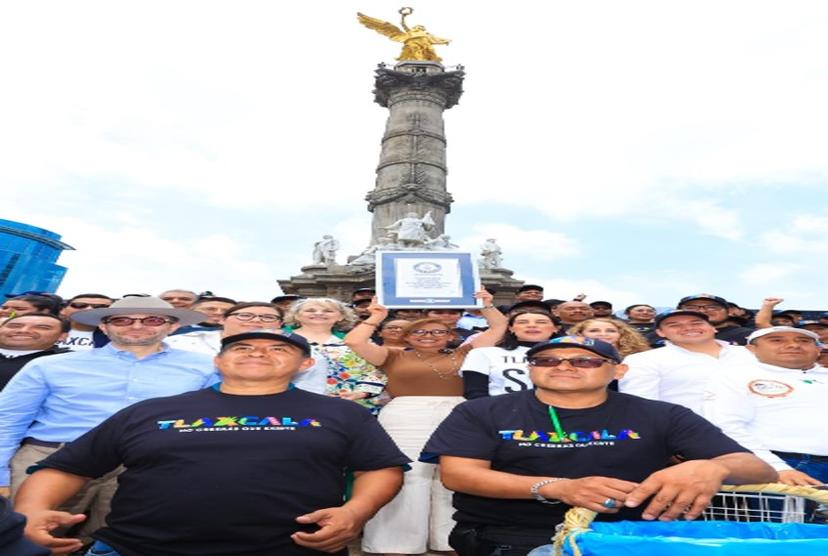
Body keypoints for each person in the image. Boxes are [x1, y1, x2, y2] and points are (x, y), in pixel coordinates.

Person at [14, 330, 409, 556]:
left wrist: (356, 511)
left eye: (278, 349)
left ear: (306, 364)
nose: (258, 352)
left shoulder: (342, 413)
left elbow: (380, 468)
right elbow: (66, 466)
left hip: (290, 549)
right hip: (138, 549)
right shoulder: (150, 410)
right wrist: (31, 511)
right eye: (241, 347)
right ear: (217, 363)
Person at [421, 336, 777, 556]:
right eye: (547, 360)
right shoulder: (482, 410)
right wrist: (560, 488)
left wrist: (714, 467)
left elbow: (758, 469)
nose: (564, 366)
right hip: (515, 534)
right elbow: (459, 475)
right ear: (531, 369)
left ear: (617, 371)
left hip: (638, 535)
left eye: (585, 361)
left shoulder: (663, 414)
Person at [0, 297, 215, 540]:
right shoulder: (49, 365)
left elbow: (212, 421)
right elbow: (7, 421)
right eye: (122, 320)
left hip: (149, 465)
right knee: (24, 538)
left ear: (173, 326)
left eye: (152, 320)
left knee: (118, 542)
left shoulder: (208, 367)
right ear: (104, 326)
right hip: (51, 459)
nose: (136, 326)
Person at [345, 290, 507, 556]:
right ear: (406, 337)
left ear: (451, 336)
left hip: (458, 413)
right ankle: (395, 543)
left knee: (452, 475)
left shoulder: (467, 353)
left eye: (436, 332)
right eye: (419, 333)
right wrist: (376, 317)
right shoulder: (392, 355)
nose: (428, 336)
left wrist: (487, 305)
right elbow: (354, 341)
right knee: (408, 475)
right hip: (404, 415)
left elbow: (499, 327)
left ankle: (449, 540)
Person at [703, 326, 828, 485]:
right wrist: (776, 467)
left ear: (818, 349)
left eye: (803, 341)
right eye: (776, 340)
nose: (794, 345)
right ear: (751, 349)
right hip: (786, 465)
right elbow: (726, 426)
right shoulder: (735, 376)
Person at [619, 310, 755, 414]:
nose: (688, 328)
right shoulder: (643, 360)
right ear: (660, 333)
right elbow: (640, 407)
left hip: (763, 437)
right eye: (674, 325)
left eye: (696, 323)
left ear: (714, 328)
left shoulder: (751, 353)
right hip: (688, 439)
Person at [285, 298, 386, 414]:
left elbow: (376, 372)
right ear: (296, 316)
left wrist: (361, 393)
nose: (319, 313)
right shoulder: (278, 340)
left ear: (341, 317)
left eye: (328, 311)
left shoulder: (357, 341)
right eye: (310, 310)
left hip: (346, 408)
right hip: (291, 406)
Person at [461, 310, 558, 399]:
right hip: (500, 413)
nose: (532, 325)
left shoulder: (571, 354)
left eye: (541, 322)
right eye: (522, 322)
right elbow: (474, 393)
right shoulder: (483, 353)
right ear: (511, 328)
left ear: (556, 328)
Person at [166, 302, 284, 355]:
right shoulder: (179, 342)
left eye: (268, 317)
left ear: (280, 324)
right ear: (222, 320)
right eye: (245, 316)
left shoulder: (290, 348)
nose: (256, 320)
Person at [0, 315, 70, 391]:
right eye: (14, 326)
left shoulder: (69, 362)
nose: (23, 330)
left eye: (42, 328)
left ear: (62, 336)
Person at [676, 294, 754, 345]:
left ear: (729, 312)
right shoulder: (669, 336)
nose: (702, 311)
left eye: (712, 307)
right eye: (691, 308)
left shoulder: (751, 336)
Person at [568, 318, 650, 359]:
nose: (603, 334)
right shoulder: (569, 355)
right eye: (594, 331)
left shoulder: (638, 357)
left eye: (611, 331)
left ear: (621, 334)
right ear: (579, 334)